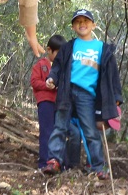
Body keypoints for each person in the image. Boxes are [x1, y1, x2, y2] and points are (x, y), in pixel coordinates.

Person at [41, 9, 122, 179]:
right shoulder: (68, 47)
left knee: (90, 130)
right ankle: (54, 160)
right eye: (78, 21)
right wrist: (52, 78)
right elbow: (58, 66)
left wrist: (116, 98)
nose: (82, 24)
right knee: (60, 126)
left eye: (86, 21)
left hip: (88, 95)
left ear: (94, 25)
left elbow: (112, 75)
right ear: (73, 27)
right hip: (66, 91)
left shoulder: (102, 49)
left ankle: (97, 166)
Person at [31, 34, 82, 170]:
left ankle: (64, 163)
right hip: (46, 102)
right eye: (58, 53)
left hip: (60, 105)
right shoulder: (41, 65)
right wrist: (46, 85)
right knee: (47, 132)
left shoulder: (65, 69)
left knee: (67, 132)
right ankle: (44, 163)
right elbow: (34, 82)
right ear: (49, 50)